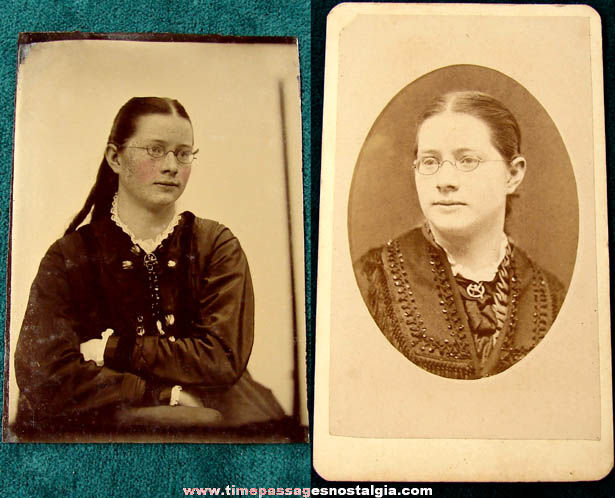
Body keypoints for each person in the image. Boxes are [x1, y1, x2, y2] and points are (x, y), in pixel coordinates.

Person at [14, 97, 286, 436]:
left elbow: (222, 359)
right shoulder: (70, 255)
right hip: (108, 421)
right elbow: (41, 373)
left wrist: (113, 349)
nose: (171, 165)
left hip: (213, 410)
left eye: (183, 153)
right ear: (115, 157)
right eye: (155, 150)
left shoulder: (215, 245)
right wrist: (155, 392)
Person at [355, 91, 566, 380]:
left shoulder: (552, 297)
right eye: (430, 162)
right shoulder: (371, 281)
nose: (445, 181)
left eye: (468, 161)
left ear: (513, 174)